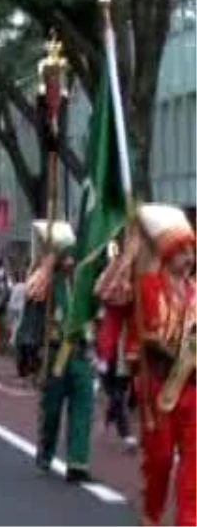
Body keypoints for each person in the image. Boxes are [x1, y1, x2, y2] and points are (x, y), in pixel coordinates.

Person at [127, 204, 197, 526]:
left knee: (194, 464)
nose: (189, 258)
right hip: (161, 387)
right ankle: (152, 515)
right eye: (181, 250)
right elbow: (150, 336)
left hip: (193, 388)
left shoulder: (195, 292)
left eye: (191, 250)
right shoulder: (150, 287)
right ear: (167, 253)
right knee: (162, 459)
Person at [26, 220, 93, 482]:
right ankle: (45, 453)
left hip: (81, 353)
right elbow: (32, 294)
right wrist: (47, 266)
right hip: (55, 353)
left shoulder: (84, 280)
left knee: (83, 408)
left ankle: (77, 463)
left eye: (71, 253)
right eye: (64, 254)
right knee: (51, 410)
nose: (70, 259)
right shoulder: (47, 280)